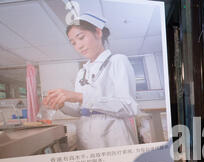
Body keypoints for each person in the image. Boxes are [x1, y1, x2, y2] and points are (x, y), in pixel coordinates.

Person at [42, 13, 140, 150]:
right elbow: (79, 111)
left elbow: (128, 106)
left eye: (81, 37)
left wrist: (80, 97)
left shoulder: (117, 61)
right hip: (87, 138)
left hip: (114, 136)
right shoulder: (82, 72)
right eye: (73, 43)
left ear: (98, 32)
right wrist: (61, 104)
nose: (79, 46)